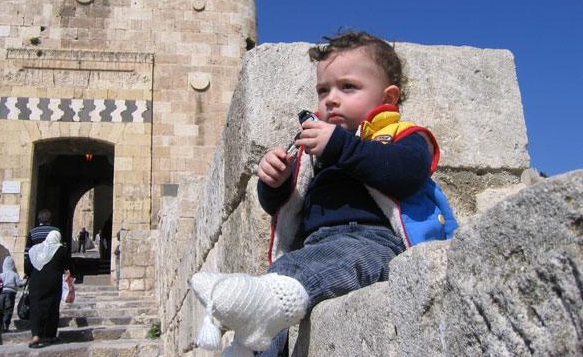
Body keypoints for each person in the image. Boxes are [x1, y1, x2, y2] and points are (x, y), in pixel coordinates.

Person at [189, 31, 459, 356]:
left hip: (375, 244)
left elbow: (403, 174)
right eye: (323, 89)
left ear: (387, 98)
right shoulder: (314, 152)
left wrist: (340, 146)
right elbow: (286, 205)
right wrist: (274, 182)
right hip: (316, 246)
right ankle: (247, 349)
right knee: (282, 271)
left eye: (348, 87)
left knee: (295, 275)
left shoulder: (401, 136)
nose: (331, 98)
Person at [27, 230, 71, 348]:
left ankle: (36, 335)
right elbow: (67, 266)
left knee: (36, 307)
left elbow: (28, 265)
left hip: (36, 281)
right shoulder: (61, 249)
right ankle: (50, 335)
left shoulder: (36, 249)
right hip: (53, 281)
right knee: (52, 306)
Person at [24, 209, 59, 277]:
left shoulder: (32, 232)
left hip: (36, 269)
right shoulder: (56, 232)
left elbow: (27, 253)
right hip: (52, 270)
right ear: (51, 220)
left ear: (39, 220)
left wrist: (27, 271)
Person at [0, 256, 26, 332]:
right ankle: (6, 325)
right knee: (8, 310)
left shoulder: (1, 275)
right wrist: (25, 281)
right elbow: (19, 284)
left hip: (1, 293)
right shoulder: (14, 274)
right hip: (10, 294)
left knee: (0, 310)